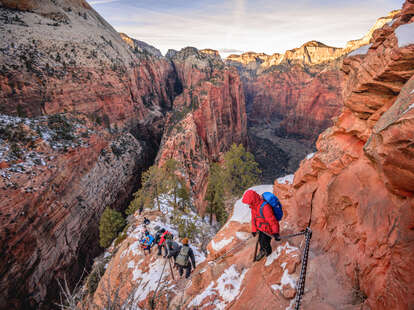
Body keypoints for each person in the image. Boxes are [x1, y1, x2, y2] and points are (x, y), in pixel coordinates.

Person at [242, 189, 280, 261]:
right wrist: (254, 230)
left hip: (268, 229)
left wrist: (276, 233)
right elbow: (254, 219)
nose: (248, 204)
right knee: (260, 240)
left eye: (249, 202)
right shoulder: (253, 207)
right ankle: (263, 251)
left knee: (264, 241)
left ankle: (268, 254)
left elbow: (272, 221)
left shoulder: (265, 207)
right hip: (261, 228)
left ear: (252, 200)